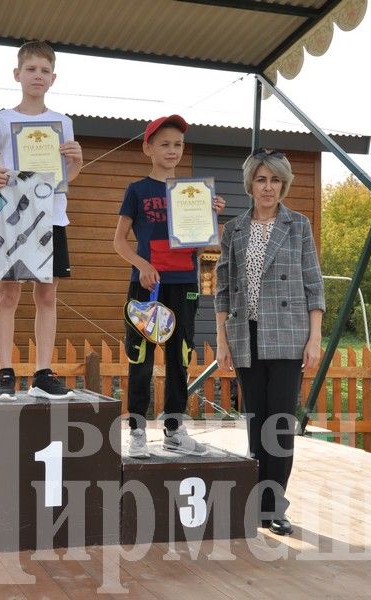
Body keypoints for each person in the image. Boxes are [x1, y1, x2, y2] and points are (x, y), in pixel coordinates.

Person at [214, 148, 325, 536]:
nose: (268, 187)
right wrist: (222, 340)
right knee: (256, 424)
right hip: (247, 337)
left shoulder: (299, 225)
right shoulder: (234, 230)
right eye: (261, 179)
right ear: (250, 184)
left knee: (279, 425)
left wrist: (315, 337)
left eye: (275, 180)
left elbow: (314, 284)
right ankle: (257, 505)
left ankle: (275, 506)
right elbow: (223, 289)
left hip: (289, 336)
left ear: (283, 184)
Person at [0, 41, 84, 401]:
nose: (38, 75)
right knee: (8, 294)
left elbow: (68, 176)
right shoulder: (1, 120)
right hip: (12, 215)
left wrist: (77, 160)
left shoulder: (63, 123)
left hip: (51, 215)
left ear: (53, 78)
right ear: (17, 74)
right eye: (31, 69)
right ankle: (5, 372)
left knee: (48, 294)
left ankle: (42, 373)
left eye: (44, 70)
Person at [113, 115, 225, 458]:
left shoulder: (192, 193)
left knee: (180, 357)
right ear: (148, 148)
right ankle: (136, 433)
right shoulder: (137, 190)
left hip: (186, 286)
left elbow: (213, 246)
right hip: (147, 287)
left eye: (178, 144)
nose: (172, 150)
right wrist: (142, 265)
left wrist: (213, 216)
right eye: (164, 143)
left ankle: (175, 429)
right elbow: (119, 241)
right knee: (141, 357)